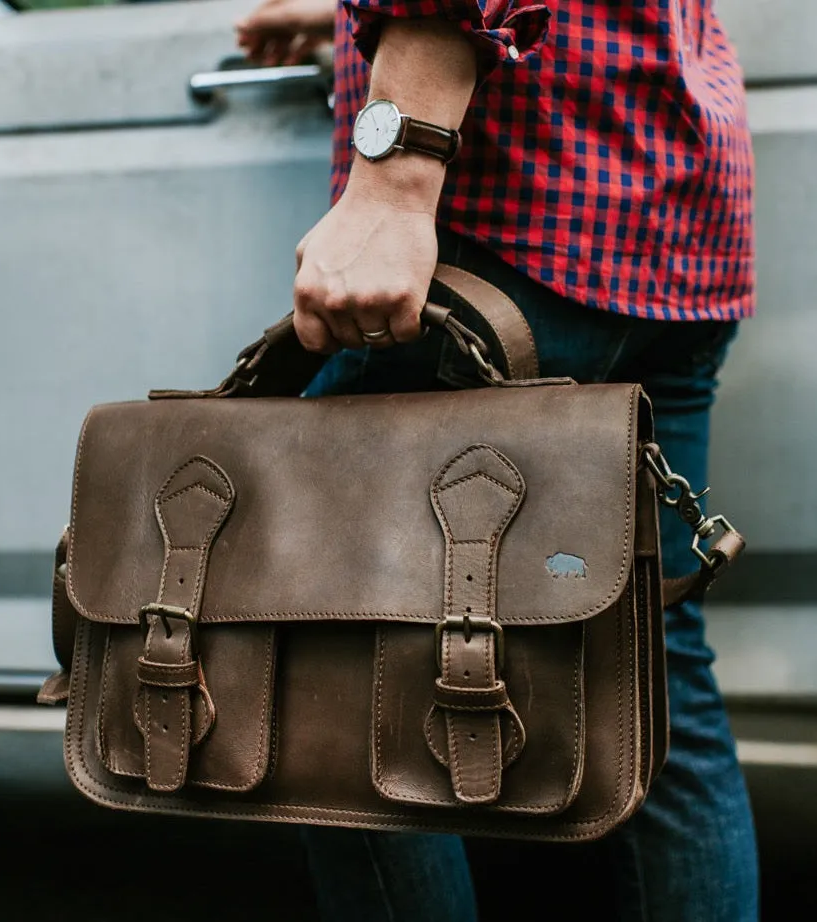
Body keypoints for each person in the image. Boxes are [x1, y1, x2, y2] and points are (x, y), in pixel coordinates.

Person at [237, 1, 759, 919]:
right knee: (651, 668)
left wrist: (397, 171)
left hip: (510, 209)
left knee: (329, 656)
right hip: (675, 225)